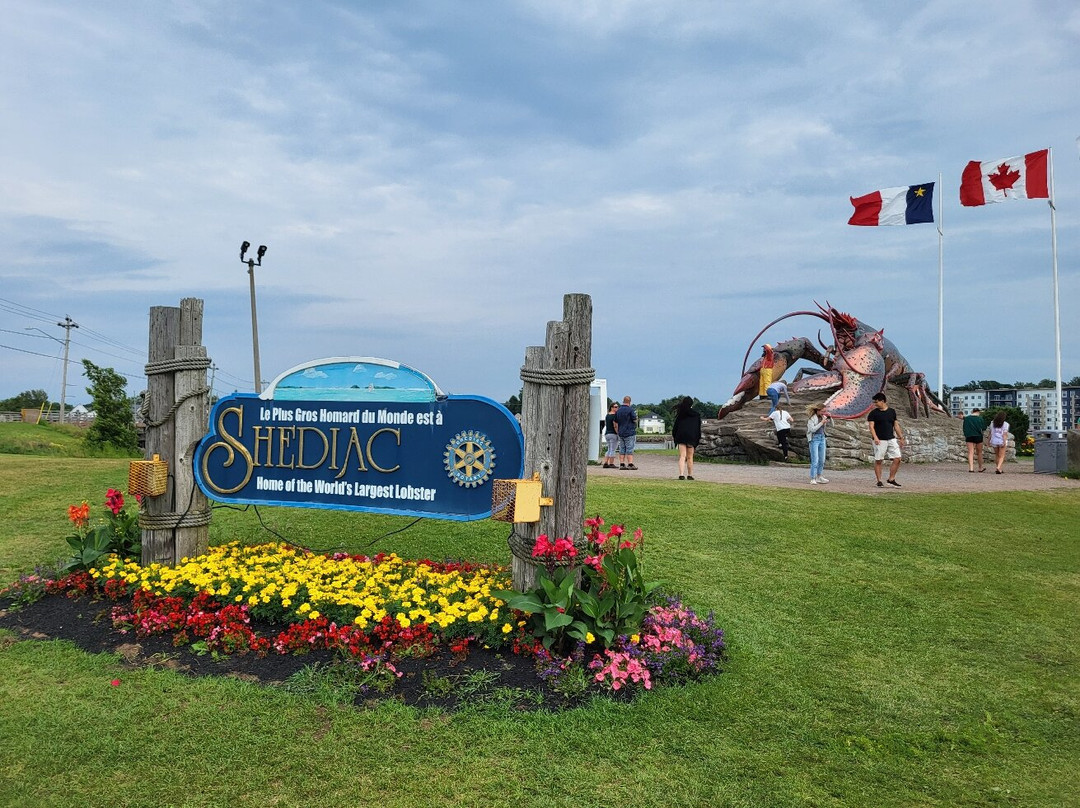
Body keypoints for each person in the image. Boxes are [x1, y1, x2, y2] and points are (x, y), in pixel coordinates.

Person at [867, 392, 904, 487]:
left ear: (882, 401)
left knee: (897, 458)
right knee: (879, 459)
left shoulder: (892, 411)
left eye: (876, 402)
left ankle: (891, 478)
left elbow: (895, 425)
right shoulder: (873, 413)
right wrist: (875, 437)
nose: (875, 404)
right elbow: (871, 426)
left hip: (891, 438)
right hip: (880, 439)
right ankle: (879, 480)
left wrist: (901, 437)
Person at [671, 396, 702, 480]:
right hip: (692, 437)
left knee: (682, 456)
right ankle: (690, 475)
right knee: (690, 457)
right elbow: (698, 428)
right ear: (691, 404)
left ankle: (681, 474)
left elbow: (675, 427)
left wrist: (675, 436)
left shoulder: (681, 414)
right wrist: (697, 438)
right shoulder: (696, 415)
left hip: (681, 436)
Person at [805, 403, 830, 484]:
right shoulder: (812, 419)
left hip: (822, 438)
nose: (824, 413)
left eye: (825, 411)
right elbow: (812, 429)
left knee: (822, 460)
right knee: (815, 460)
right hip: (814, 439)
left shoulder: (823, 417)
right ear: (818, 411)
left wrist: (830, 418)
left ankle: (819, 476)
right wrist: (821, 423)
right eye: (823, 411)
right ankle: (813, 478)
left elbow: (832, 425)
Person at [615, 395, 638, 470]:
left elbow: (615, 421)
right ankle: (630, 464)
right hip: (629, 431)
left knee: (622, 448)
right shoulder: (631, 410)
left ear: (623, 401)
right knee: (629, 448)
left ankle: (622, 463)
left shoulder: (618, 410)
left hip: (621, 432)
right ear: (630, 402)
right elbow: (634, 419)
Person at [962, 407, 987, 473]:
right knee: (979, 452)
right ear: (978, 412)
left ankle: (971, 468)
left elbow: (964, 428)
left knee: (970, 452)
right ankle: (980, 467)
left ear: (972, 411)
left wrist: (966, 434)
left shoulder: (967, 418)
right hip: (978, 436)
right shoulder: (980, 419)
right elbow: (984, 428)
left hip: (969, 436)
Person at [602, 402, 619, 468]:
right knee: (613, 449)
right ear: (611, 407)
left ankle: (606, 462)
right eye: (615, 407)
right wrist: (617, 432)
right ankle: (611, 463)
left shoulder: (607, 415)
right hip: (613, 433)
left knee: (609, 448)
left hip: (607, 434)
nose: (617, 408)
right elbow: (615, 425)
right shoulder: (615, 416)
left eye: (617, 407)